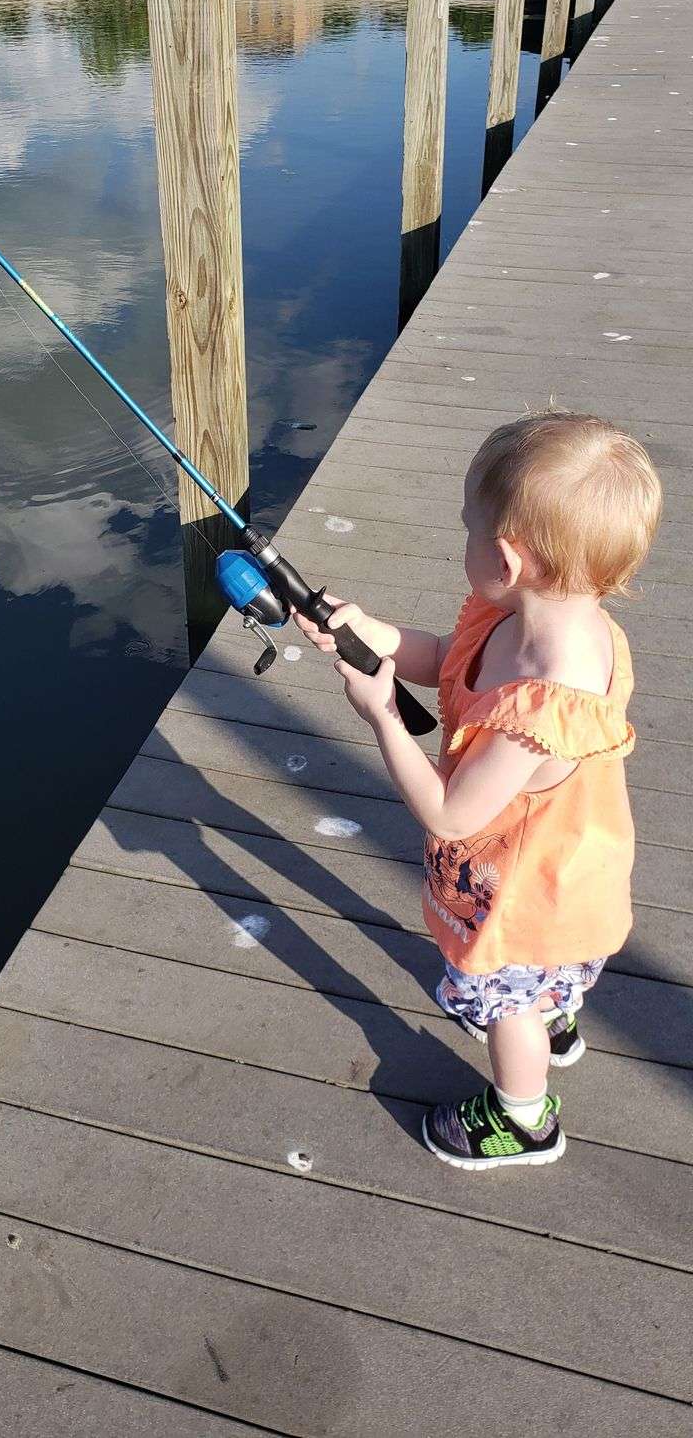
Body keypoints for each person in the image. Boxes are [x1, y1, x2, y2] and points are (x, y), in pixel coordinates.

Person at [293, 411, 662, 1170]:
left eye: (466, 528)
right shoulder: (538, 615)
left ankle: (524, 1119)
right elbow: (445, 659)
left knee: (507, 999)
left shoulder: (542, 706)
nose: (461, 540)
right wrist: (376, 635)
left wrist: (383, 716)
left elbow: (449, 815)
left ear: (505, 556)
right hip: (568, 866)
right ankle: (553, 1014)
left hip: (528, 896)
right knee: (541, 982)